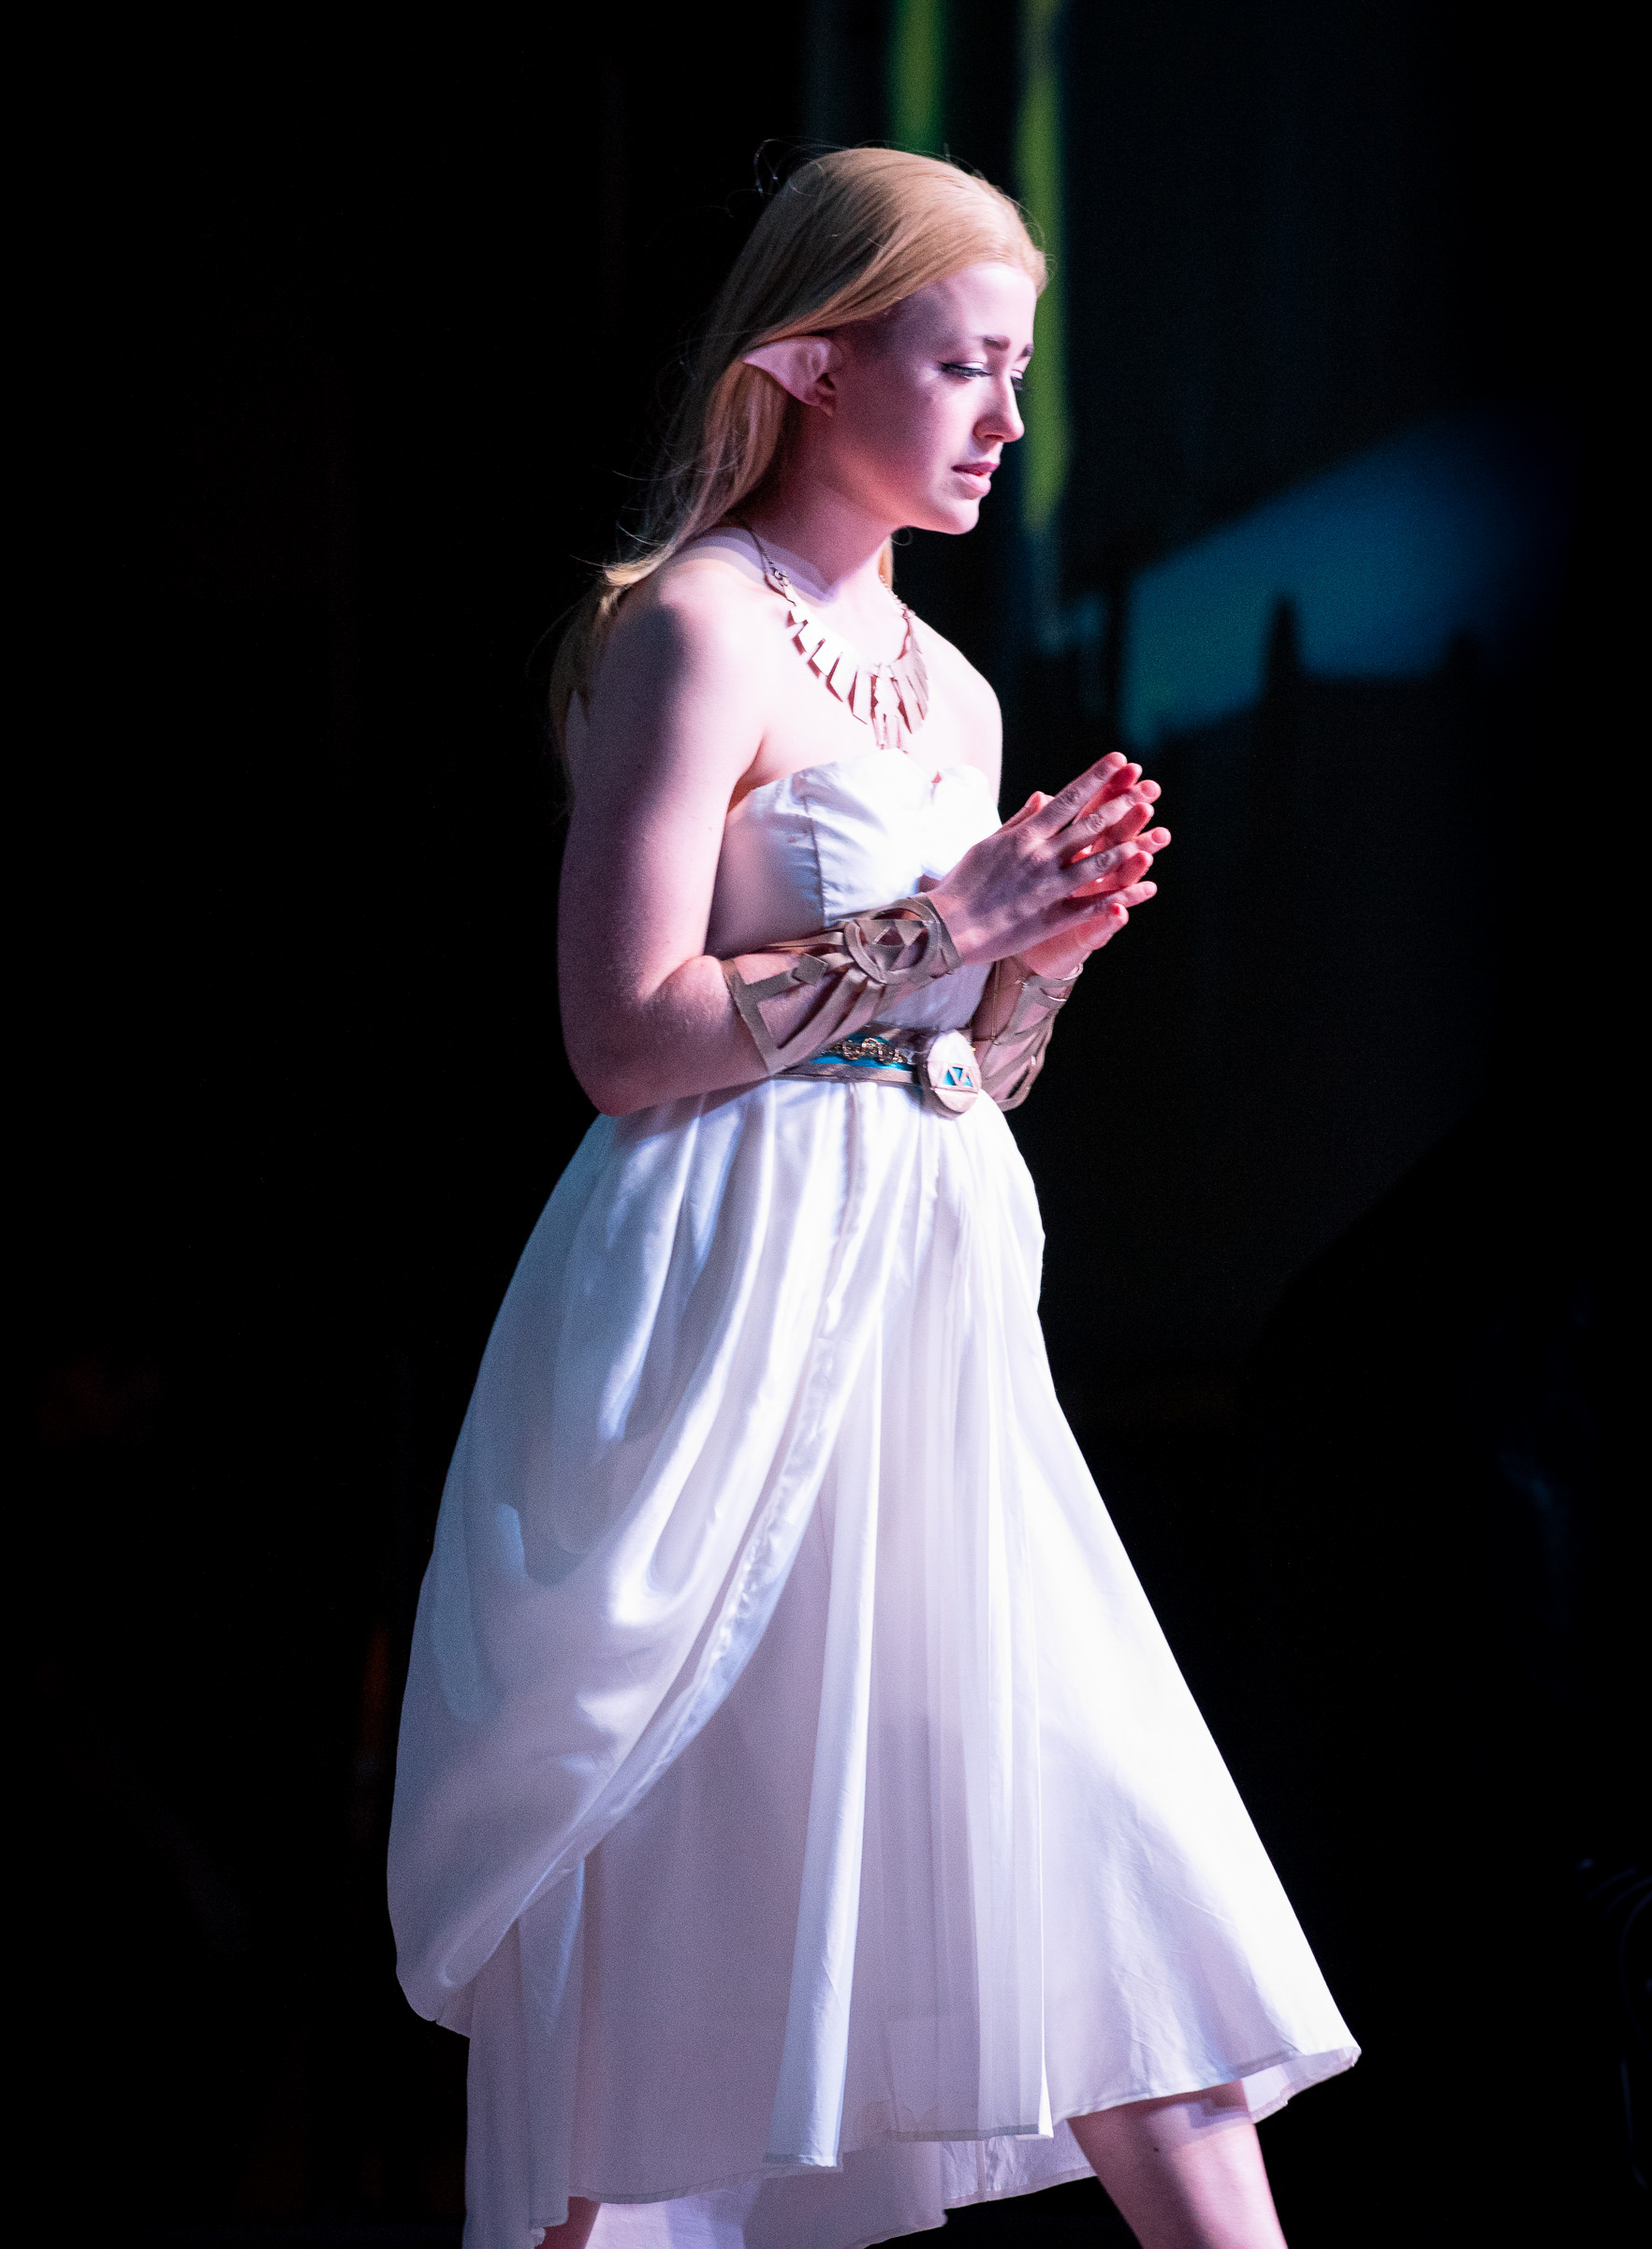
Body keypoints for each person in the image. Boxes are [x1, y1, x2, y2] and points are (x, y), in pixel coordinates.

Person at [387, 149, 1356, 2249]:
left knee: (1090, 1821)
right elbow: (624, 1035)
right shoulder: (693, 627)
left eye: (1019, 370)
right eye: (962, 363)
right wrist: (946, 921)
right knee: (669, 1854)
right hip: (722, 1317)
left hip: (926, 1326)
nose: (1006, 417)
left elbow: (956, 1079)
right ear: (816, 364)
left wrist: (1030, 970)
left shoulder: (952, 684)